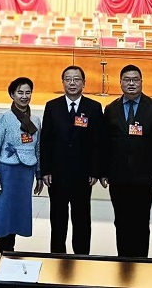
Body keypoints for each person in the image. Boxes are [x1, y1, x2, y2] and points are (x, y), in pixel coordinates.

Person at [101, 64, 152, 258]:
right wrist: (103, 171)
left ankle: (140, 262)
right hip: (118, 176)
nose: (131, 83)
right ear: (120, 83)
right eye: (127, 80)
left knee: (140, 221)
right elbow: (105, 143)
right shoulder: (111, 109)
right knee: (121, 221)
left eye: (135, 80)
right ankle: (123, 261)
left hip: (144, 176)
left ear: (141, 82)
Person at [40, 65, 104, 255]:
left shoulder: (93, 107)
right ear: (63, 83)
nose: (72, 83)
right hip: (57, 174)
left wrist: (95, 170)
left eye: (76, 79)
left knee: (82, 219)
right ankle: (57, 257)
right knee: (58, 219)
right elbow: (46, 141)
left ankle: (82, 257)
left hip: (82, 174)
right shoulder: (52, 106)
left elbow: (98, 142)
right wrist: (45, 170)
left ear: (84, 83)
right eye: (68, 79)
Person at [0, 76, 44, 253]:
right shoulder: (4, 117)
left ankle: (11, 249)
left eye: (28, 92)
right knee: (3, 211)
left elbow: (38, 148)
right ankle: (5, 250)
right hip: (7, 171)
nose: (24, 96)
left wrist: (39, 174)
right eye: (20, 92)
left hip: (26, 172)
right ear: (12, 94)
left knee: (19, 211)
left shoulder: (36, 120)